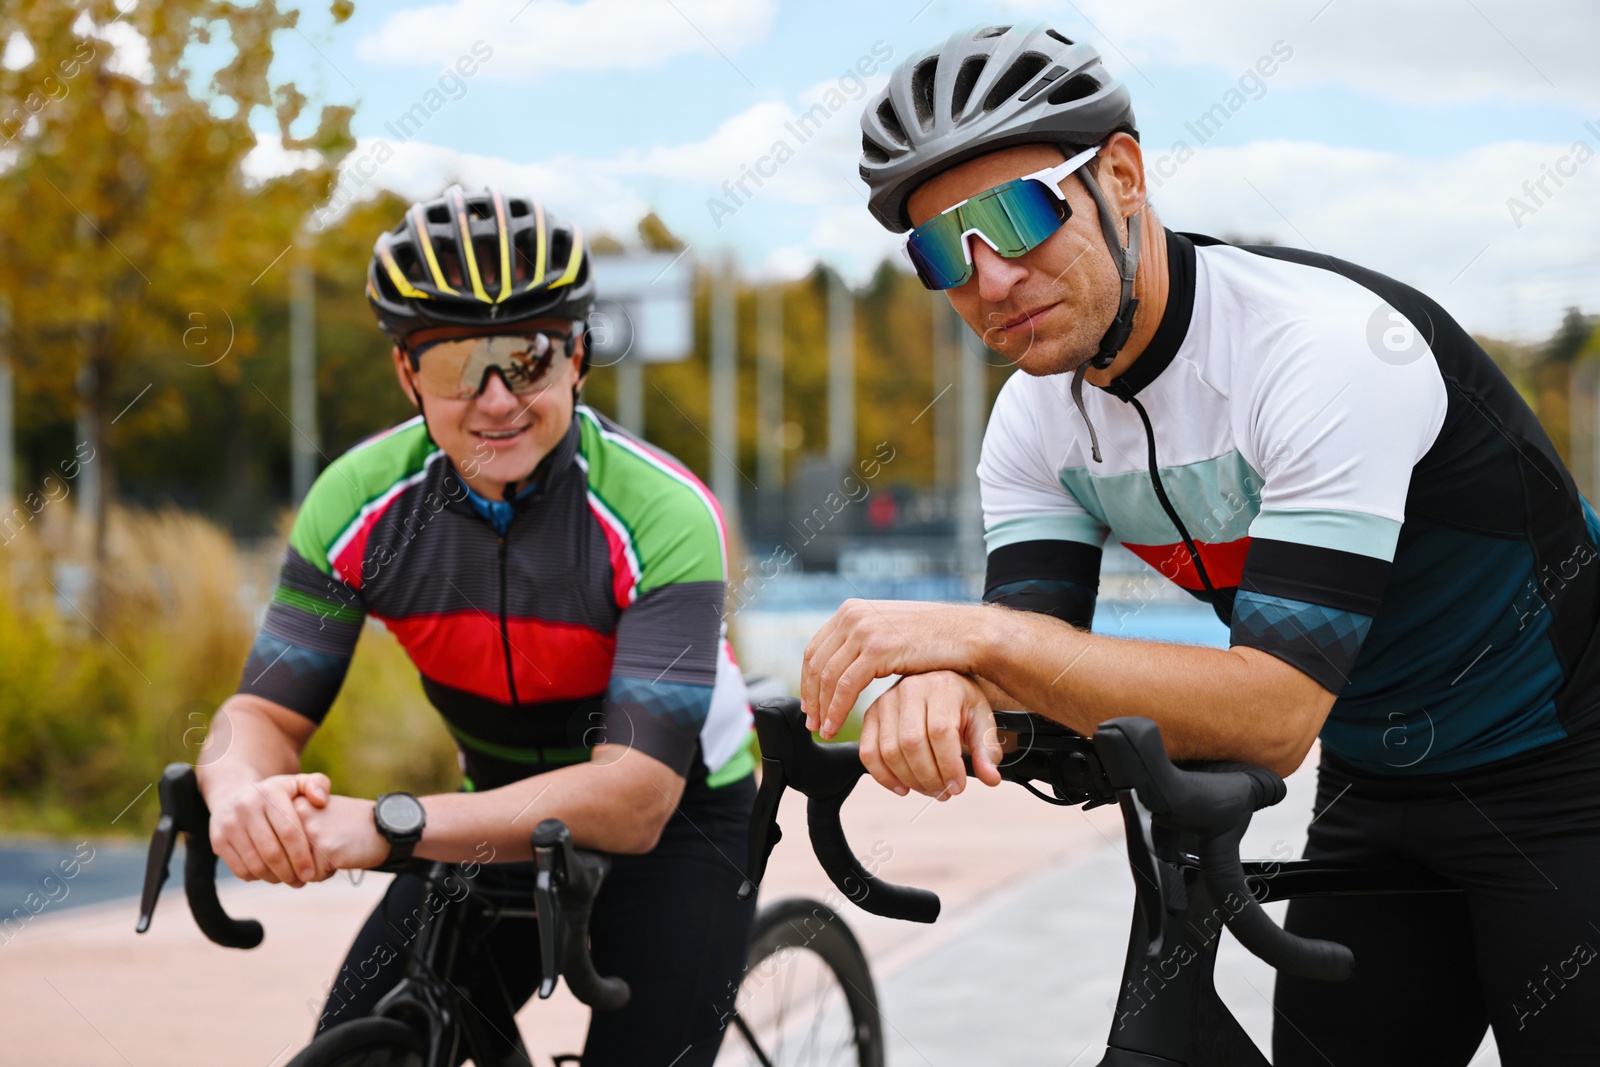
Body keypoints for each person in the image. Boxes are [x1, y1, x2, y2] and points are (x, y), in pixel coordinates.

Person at [803, 23, 1600, 1067]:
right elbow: (1023, 656)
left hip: (1566, 766)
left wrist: (969, 643)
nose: (989, 278)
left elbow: (1270, 714)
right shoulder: (1034, 420)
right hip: (1377, 780)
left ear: (1122, 177)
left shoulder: (1322, 350)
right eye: (942, 249)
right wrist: (937, 683)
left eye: (1017, 212)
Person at [195, 187, 755, 1065]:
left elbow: (633, 800)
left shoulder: (662, 512)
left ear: (577, 357)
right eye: (459, 363)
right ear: (407, 373)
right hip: (486, 817)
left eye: (527, 359)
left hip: (677, 819)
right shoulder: (356, 502)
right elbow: (260, 716)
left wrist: (386, 824)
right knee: (357, 1043)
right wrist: (239, 796)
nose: (497, 400)